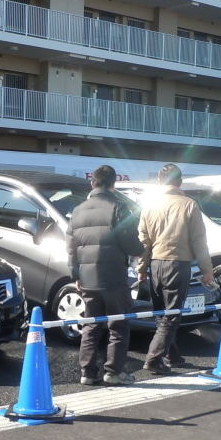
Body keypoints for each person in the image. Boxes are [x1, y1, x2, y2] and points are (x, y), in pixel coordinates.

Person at [67, 164, 144, 386]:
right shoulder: (118, 207)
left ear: (93, 183)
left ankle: (87, 373)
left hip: (87, 278)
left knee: (91, 325)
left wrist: (76, 275)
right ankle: (113, 372)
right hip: (114, 278)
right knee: (118, 325)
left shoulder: (78, 210)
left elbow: (71, 248)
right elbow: (130, 243)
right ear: (113, 184)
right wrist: (142, 251)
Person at [137, 163, 215, 374]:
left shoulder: (149, 205)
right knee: (172, 314)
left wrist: (142, 269)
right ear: (180, 181)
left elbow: (143, 241)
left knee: (161, 313)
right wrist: (207, 270)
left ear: (159, 182)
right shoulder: (189, 205)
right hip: (177, 264)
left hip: (155, 264)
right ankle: (154, 358)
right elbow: (199, 241)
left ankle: (172, 355)